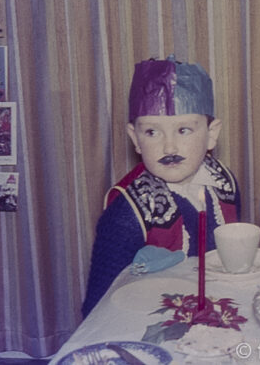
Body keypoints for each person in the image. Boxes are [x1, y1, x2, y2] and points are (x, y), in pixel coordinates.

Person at [82, 56, 240, 317]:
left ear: (212, 134)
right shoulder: (126, 213)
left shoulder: (224, 182)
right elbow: (100, 306)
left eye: (184, 130)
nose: (169, 148)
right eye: (152, 132)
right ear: (135, 138)